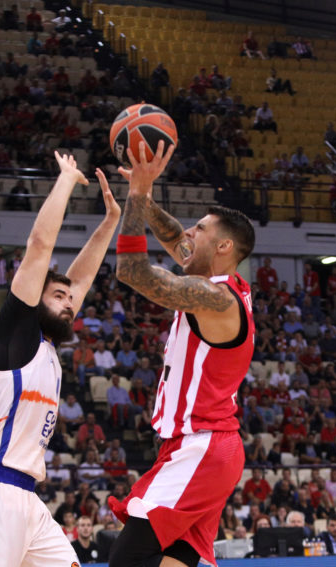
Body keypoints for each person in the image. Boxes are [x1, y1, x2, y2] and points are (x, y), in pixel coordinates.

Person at [0, 152, 121, 567]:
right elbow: (39, 246)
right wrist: (66, 179)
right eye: (58, 296)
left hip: (27, 496)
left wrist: (109, 223)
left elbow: (81, 279)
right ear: (35, 301)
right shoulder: (17, 335)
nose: (69, 303)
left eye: (70, 299)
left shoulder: (49, 344)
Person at [108, 140, 256, 567]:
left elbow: (131, 271)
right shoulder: (221, 285)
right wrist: (145, 198)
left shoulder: (216, 299)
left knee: (126, 562)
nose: (188, 234)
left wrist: (137, 197)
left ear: (224, 247)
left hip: (201, 447)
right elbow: (174, 236)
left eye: (200, 229)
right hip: (207, 447)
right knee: (172, 560)